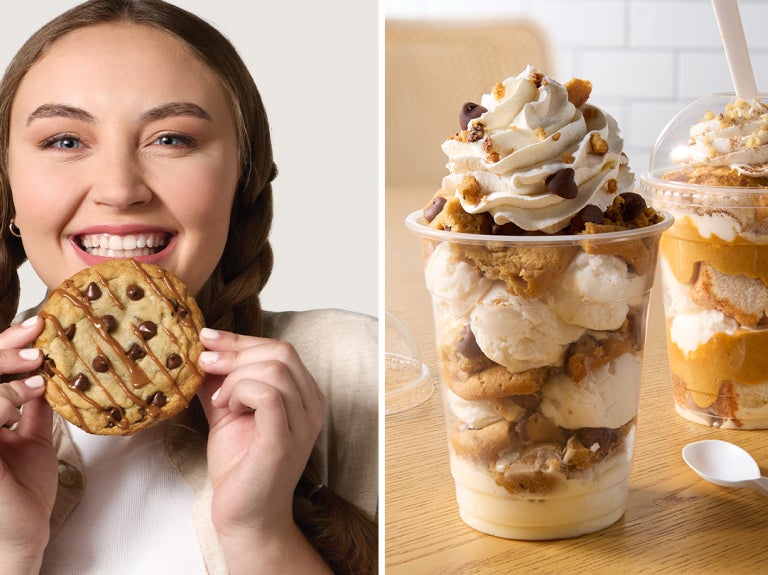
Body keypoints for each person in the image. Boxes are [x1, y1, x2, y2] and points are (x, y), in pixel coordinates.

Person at [0, 1, 378, 574]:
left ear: (242, 177)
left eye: (171, 139)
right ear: (8, 186)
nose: (119, 190)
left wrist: (261, 534)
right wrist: (9, 551)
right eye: (64, 142)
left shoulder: (360, 371)